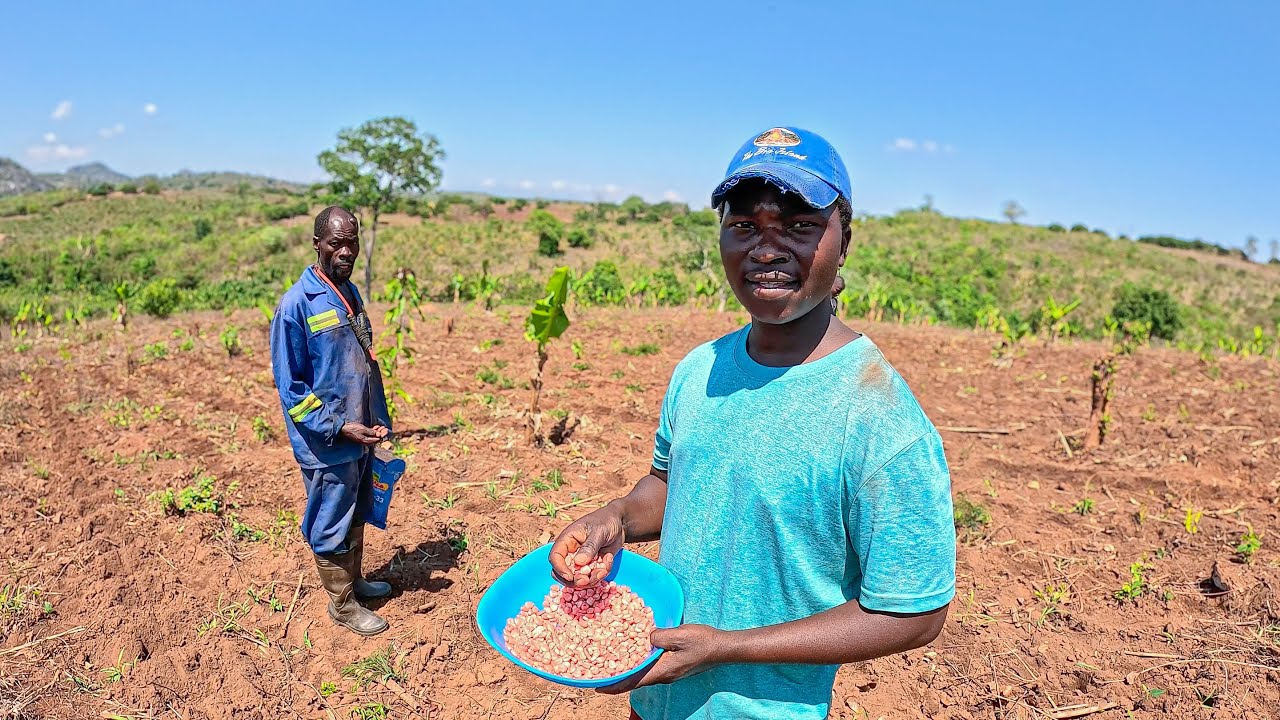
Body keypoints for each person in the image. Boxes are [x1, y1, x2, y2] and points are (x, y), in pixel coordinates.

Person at [549, 127, 955, 719]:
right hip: (654, 694)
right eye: (744, 227)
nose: (766, 249)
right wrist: (616, 518)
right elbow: (669, 482)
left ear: (844, 242)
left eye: (798, 225)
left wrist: (724, 651)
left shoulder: (878, 416)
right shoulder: (701, 369)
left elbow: (913, 614)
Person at [270, 206, 394, 636]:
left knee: (357, 508)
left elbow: (363, 362)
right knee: (330, 517)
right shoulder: (296, 305)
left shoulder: (350, 293)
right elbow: (292, 389)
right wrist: (338, 427)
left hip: (360, 433)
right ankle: (341, 605)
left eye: (352, 243)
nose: (346, 251)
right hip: (326, 441)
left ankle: (354, 582)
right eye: (336, 243)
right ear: (317, 244)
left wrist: (376, 418)